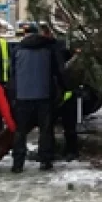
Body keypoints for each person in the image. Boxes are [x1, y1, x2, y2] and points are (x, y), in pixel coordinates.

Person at [10, 24, 66, 173]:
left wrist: (13, 95)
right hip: (44, 95)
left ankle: (17, 163)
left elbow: (12, 75)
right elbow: (59, 72)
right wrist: (62, 89)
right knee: (46, 130)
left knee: (20, 131)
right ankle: (45, 161)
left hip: (22, 96)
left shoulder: (17, 50)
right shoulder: (48, 50)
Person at [40, 25, 80, 161]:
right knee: (63, 125)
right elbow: (64, 71)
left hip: (54, 92)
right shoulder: (58, 47)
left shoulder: (51, 49)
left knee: (52, 125)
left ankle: (63, 151)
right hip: (59, 91)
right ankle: (68, 151)